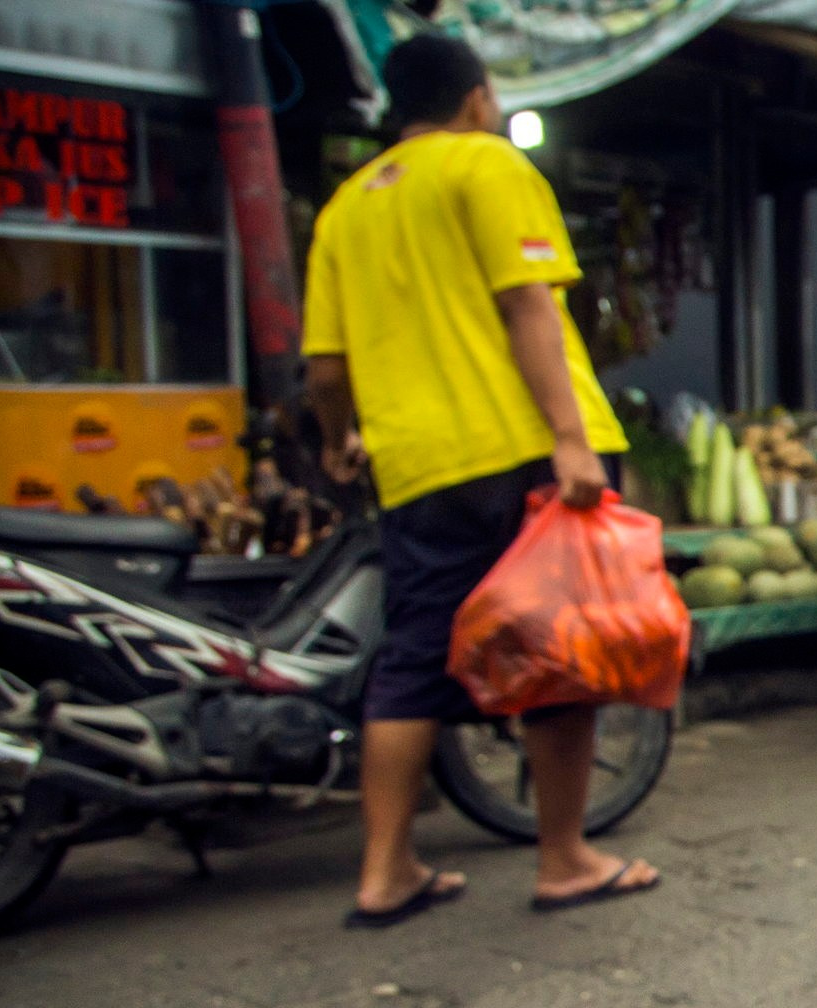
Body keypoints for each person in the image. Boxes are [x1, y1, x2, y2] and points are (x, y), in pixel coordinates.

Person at [304, 35, 658, 927]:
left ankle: (384, 870)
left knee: (413, 657)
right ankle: (565, 857)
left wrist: (341, 437)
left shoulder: (347, 205)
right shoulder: (484, 164)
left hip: (414, 463)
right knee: (556, 654)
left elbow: (323, 365)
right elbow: (526, 302)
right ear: (474, 97)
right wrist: (571, 441)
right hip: (520, 450)